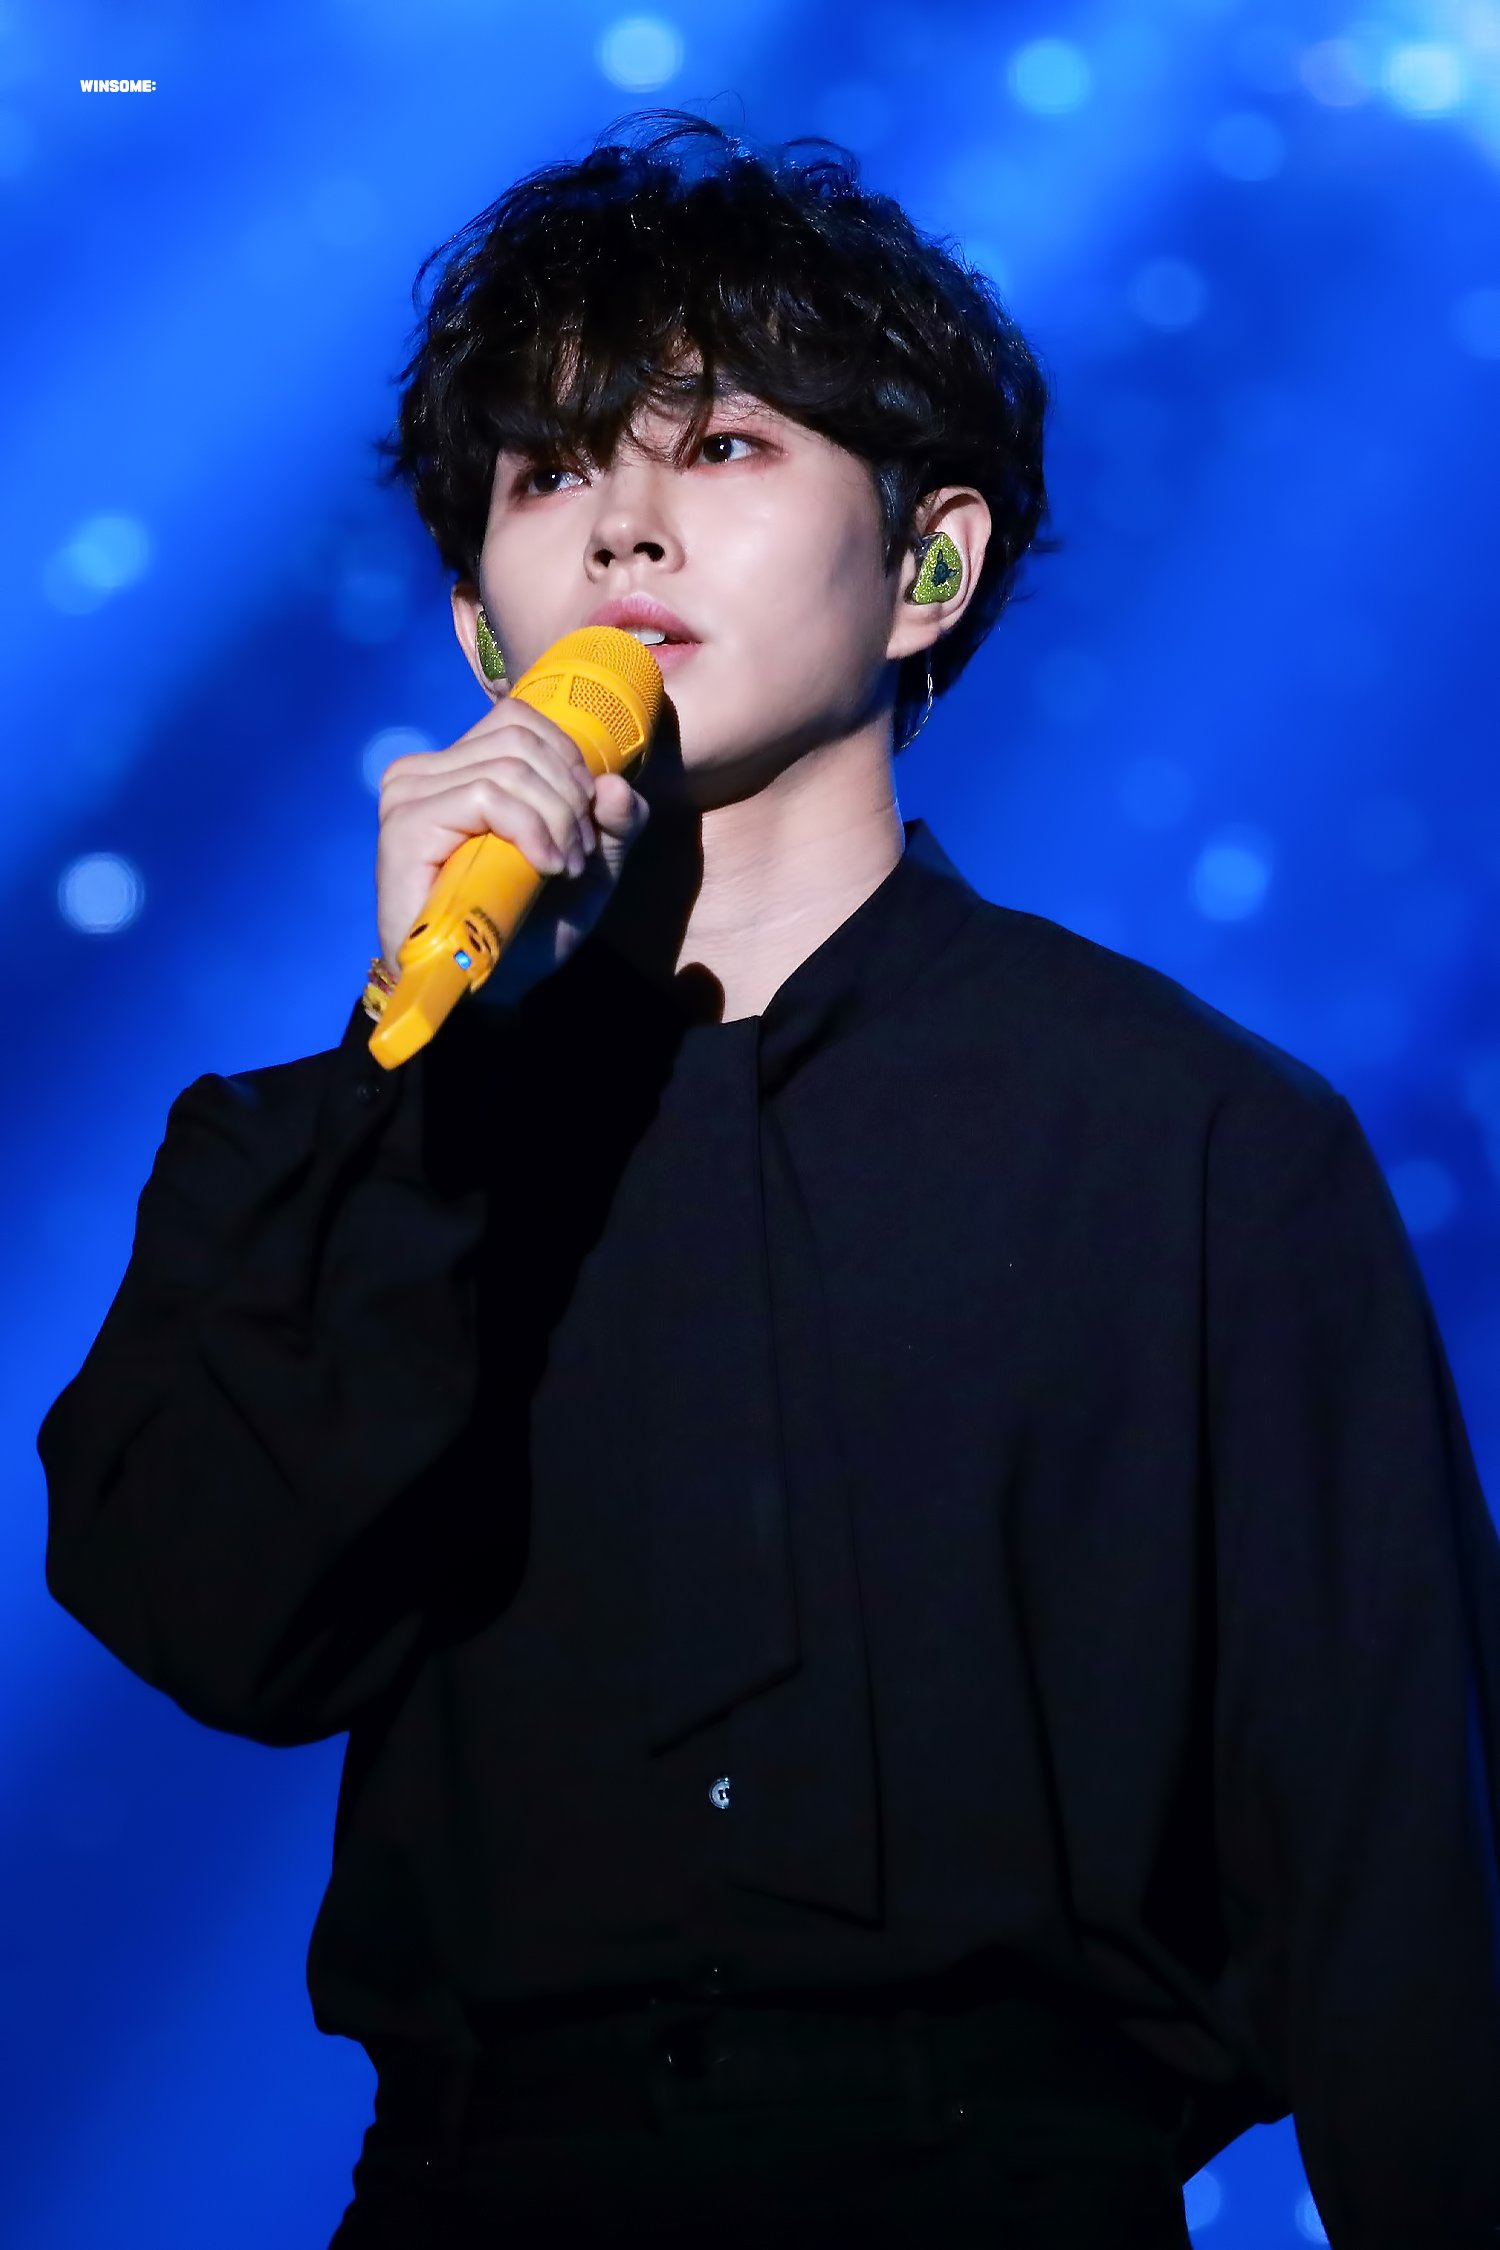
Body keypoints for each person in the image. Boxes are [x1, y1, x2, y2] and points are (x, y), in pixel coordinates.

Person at [37, 110, 1500, 2250]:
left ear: (930, 568)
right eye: (549, 476)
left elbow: (1398, 1871)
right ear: (479, 628)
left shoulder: (1196, 1143)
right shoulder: (321, 1150)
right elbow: (218, 1625)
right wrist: (424, 1081)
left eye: (721, 447)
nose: (625, 526)